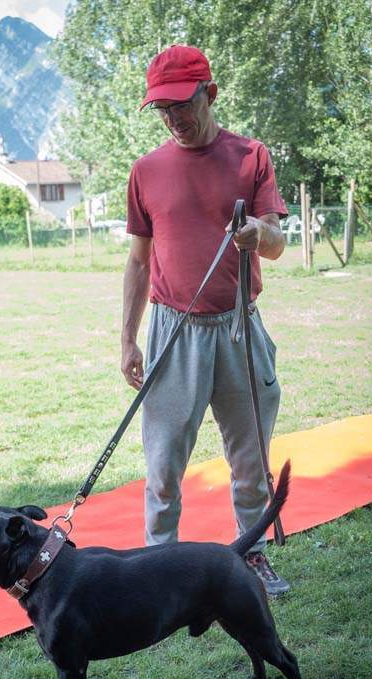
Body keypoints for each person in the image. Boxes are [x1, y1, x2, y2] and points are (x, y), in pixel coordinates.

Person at [121, 44, 290, 596]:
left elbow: (277, 242)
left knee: (249, 456)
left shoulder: (250, 157)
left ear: (209, 93)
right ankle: (156, 569)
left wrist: (256, 236)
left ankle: (252, 554)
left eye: (182, 104)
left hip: (240, 327)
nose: (174, 118)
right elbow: (139, 261)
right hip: (173, 331)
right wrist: (128, 340)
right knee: (165, 461)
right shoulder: (146, 170)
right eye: (162, 109)